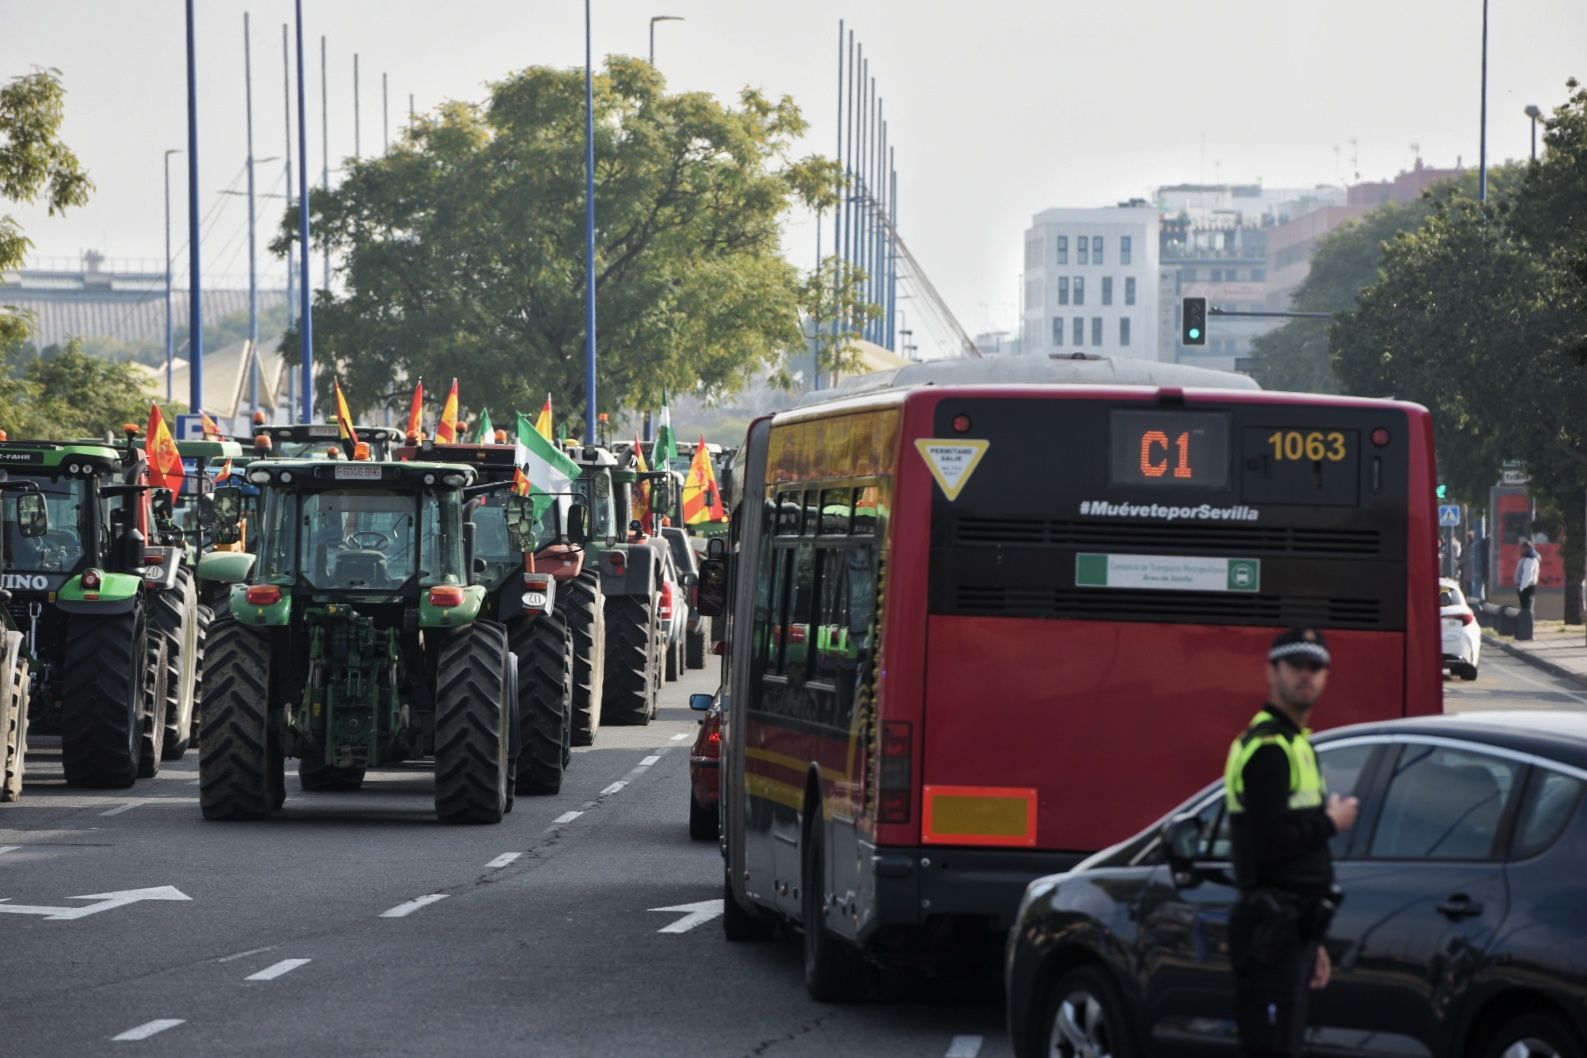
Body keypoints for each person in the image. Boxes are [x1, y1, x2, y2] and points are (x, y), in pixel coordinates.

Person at [1226, 629, 1359, 1058]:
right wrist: (1331, 823)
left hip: (1292, 931)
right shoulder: (1269, 749)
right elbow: (1270, 845)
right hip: (1271, 930)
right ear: (1272, 672)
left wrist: (1312, 942)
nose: (1307, 676)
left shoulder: (1297, 743)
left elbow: (1297, 855)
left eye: (1316, 667)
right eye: (1296, 666)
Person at [1516, 539, 1540, 613]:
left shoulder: (1530, 559)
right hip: (1525, 587)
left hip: (1526, 588)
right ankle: (1526, 623)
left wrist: (1521, 589)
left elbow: (1527, 575)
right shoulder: (1526, 558)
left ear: (1526, 548)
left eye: (1521, 548)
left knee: (1527, 609)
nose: (1520, 550)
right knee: (1526, 609)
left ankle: (1527, 624)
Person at [1456, 530, 1475, 597]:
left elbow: (1468, 558)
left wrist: (1459, 562)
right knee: (1468, 585)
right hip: (1467, 570)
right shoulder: (1467, 546)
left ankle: (1471, 598)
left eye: (1469, 537)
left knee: (1471, 586)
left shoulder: (1472, 546)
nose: (1468, 538)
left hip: (1470, 570)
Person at [1473, 533, 1489, 601]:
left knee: (1483, 587)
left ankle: (1484, 600)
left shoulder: (1483, 544)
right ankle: (1485, 600)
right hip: (1486, 570)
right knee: (1486, 587)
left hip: (1484, 570)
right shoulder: (1488, 546)